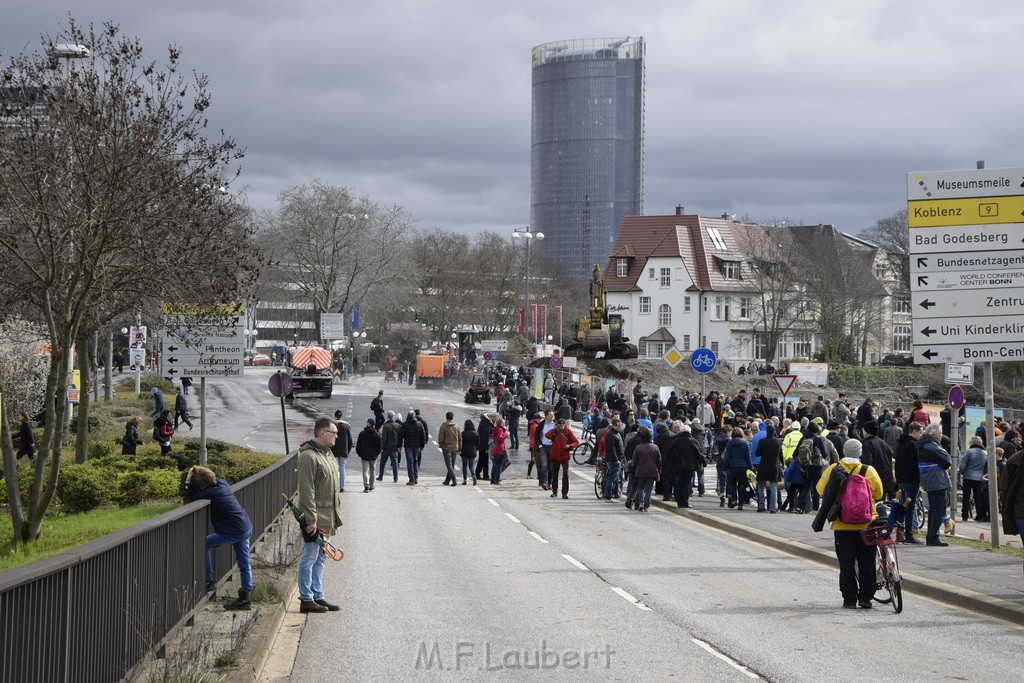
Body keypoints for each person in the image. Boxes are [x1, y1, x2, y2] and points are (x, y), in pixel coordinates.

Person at [813, 439, 883, 609]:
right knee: (867, 562)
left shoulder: (833, 469)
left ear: (843, 451)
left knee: (846, 564)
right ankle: (866, 597)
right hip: (866, 524)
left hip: (842, 524)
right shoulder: (868, 470)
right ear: (860, 453)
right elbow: (879, 493)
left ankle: (849, 599)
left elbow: (820, 490)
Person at [185, 465, 254, 610]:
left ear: (202, 485)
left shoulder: (211, 493)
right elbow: (216, 479)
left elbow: (190, 495)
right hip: (245, 526)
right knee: (244, 564)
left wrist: (188, 479)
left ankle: (209, 579)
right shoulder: (223, 484)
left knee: (204, 544)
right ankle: (245, 598)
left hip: (234, 531)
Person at [294, 417, 343, 613]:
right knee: (310, 557)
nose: (336, 437)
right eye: (334, 433)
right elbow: (306, 490)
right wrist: (311, 518)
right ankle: (306, 599)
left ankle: (317, 595)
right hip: (316, 518)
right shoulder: (309, 456)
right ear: (322, 434)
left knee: (322, 557)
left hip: (328, 515)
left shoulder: (328, 454)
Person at [917, 423, 953, 546]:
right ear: (934, 433)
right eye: (940, 432)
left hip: (930, 480)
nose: (941, 435)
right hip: (937, 481)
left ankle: (931, 536)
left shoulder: (924, 444)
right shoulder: (931, 446)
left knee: (934, 510)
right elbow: (948, 460)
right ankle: (933, 537)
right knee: (938, 509)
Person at [894, 421, 923, 543]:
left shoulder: (900, 444)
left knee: (901, 507)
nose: (921, 435)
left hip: (901, 479)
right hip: (911, 479)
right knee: (910, 508)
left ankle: (899, 534)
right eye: (920, 432)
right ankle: (909, 535)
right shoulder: (913, 445)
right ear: (915, 431)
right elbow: (915, 463)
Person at [630, 427, 661, 512]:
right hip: (651, 471)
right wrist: (659, 469)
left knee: (640, 488)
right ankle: (646, 505)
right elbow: (659, 460)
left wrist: (635, 467)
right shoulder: (655, 447)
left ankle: (640, 503)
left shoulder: (638, 448)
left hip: (640, 471)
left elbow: (634, 461)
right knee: (649, 489)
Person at [546, 418, 579, 499]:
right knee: (555, 475)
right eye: (560, 425)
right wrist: (554, 429)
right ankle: (554, 492)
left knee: (565, 475)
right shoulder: (555, 431)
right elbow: (547, 435)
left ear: (565, 425)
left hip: (564, 456)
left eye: (563, 425)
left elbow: (576, 442)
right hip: (555, 455)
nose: (561, 427)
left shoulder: (568, 432)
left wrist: (570, 445)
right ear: (557, 425)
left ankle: (564, 493)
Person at [959, 436, 989, 522]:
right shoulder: (985, 453)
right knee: (978, 496)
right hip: (979, 478)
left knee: (966, 496)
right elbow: (987, 467)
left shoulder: (969, 452)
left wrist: (962, 472)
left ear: (972, 443)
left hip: (968, 476)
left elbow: (962, 465)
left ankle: (965, 515)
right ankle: (979, 515)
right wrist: (982, 474)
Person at [755, 424, 784, 513]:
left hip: (763, 465)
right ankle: (772, 507)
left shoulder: (762, 441)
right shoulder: (778, 442)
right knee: (773, 487)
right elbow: (781, 455)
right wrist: (782, 464)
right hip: (774, 466)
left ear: (766, 432)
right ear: (774, 432)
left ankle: (761, 506)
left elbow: (757, 453)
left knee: (760, 486)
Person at [724, 427, 752, 510]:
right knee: (741, 485)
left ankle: (734, 499)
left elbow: (727, 457)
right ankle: (740, 503)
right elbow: (748, 457)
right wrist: (750, 467)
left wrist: (725, 467)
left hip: (733, 467)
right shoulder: (745, 443)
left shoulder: (729, 443)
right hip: (743, 467)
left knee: (732, 484)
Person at [355, 418, 381, 493]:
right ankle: (372, 485)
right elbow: (379, 447)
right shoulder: (377, 434)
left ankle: (366, 486)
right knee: (373, 471)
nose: (366, 423)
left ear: (369, 424)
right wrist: (376, 454)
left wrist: (360, 454)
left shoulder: (362, 433)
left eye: (367, 422)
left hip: (364, 456)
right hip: (373, 456)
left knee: (365, 471)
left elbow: (358, 445)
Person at [331, 410, 353, 493]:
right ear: (342, 416)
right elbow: (350, 441)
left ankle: (333, 485)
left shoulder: (332, 425)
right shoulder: (346, 426)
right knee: (342, 468)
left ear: (335, 416)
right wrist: (348, 450)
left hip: (333, 449)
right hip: (343, 449)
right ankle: (342, 486)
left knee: (333, 468)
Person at [377, 411, 403, 483]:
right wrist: (399, 446)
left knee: (382, 462)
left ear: (388, 417)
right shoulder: (398, 426)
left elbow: (384, 438)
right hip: (394, 447)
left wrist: (382, 447)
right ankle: (395, 478)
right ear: (393, 416)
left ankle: (380, 476)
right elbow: (400, 437)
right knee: (394, 463)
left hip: (386, 447)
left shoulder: (385, 426)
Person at [438, 411, 462, 486]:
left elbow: (441, 437)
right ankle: (447, 480)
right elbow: (459, 438)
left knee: (448, 464)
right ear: (452, 417)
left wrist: (441, 445)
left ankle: (454, 479)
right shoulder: (456, 426)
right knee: (452, 464)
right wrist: (460, 447)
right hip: (455, 447)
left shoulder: (444, 426)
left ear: (446, 417)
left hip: (446, 447)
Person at [402, 411, 425, 485]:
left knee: (410, 462)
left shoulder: (405, 424)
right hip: (417, 445)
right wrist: (422, 445)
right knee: (415, 461)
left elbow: (401, 436)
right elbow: (423, 436)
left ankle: (411, 479)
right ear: (414, 416)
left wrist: (399, 445)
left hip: (408, 445)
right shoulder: (419, 424)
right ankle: (416, 477)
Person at [489, 416, 509, 485]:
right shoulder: (500, 430)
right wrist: (506, 435)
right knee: (498, 466)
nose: (504, 424)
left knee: (495, 465)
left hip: (495, 449)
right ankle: (497, 480)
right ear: (500, 423)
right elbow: (500, 438)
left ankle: (492, 480)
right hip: (500, 449)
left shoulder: (496, 429)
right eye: (503, 423)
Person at [460, 419, 479, 485]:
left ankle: (465, 479)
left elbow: (461, 443)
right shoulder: (476, 433)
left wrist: (460, 449)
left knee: (464, 466)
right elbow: (478, 443)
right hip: (472, 451)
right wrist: (476, 449)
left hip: (464, 451)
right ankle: (473, 475)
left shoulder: (463, 433)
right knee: (471, 466)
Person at [476, 413, 493, 482]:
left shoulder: (482, 423)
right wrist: (487, 447)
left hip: (481, 445)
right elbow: (486, 436)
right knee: (485, 461)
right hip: (484, 445)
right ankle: (485, 475)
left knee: (481, 460)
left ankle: (477, 473)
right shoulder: (486, 424)